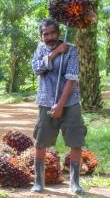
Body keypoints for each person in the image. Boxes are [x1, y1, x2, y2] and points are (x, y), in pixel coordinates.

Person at [31, 18, 87, 194]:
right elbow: (37, 69)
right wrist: (55, 53)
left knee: (75, 141)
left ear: (59, 32)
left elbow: (71, 79)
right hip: (45, 100)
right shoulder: (40, 49)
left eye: (52, 33)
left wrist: (61, 105)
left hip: (70, 102)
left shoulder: (70, 50)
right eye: (45, 34)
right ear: (41, 36)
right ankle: (39, 182)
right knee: (41, 142)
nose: (49, 37)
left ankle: (74, 183)